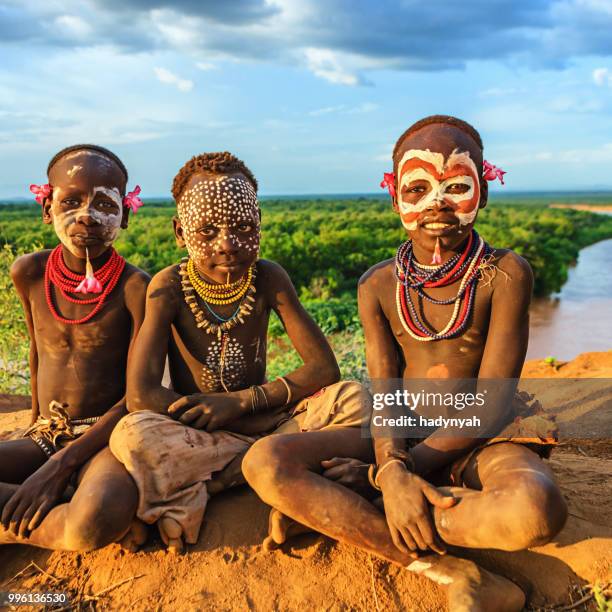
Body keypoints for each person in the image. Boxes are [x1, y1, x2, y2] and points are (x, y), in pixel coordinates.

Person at [242, 116, 566, 611]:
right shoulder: (378, 284)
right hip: (403, 430)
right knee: (265, 461)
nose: (437, 202)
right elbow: (385, 390)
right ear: (395, 199)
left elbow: (492, 404)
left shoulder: (504, 273)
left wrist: (393, 477)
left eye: (456, 186)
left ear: (484, 192)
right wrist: (392, 465)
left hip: (486, 435)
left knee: (536, 509)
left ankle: (352, 513)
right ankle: (454, 571)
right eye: (419, 187)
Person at [109, 152, 370, 553]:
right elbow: (142, 394)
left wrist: (241, 404)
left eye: (244, 227)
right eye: (208, 231)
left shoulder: (268, 277)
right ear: (180, 232)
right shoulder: (167, 287)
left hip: (267, 420)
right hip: (201, 430)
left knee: (356, 398)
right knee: (133, 436)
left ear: (260, 224)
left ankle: (214, 484)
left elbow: (324, 368)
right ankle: (261, 470)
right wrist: (212, 415)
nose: (228, 244)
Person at [0, 144, 149, 551]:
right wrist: (35, 429)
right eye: (71, 201)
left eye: (105, 203)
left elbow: (138, 396)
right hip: (48, 433)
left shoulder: (137, 288)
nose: (88, 215)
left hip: (106, 438)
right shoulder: (29, 272)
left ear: (126, 215)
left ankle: (57, 513)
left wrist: (58, 467)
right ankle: (50, 516)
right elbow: (37, 353)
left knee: (97, 515)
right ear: (47, 209)